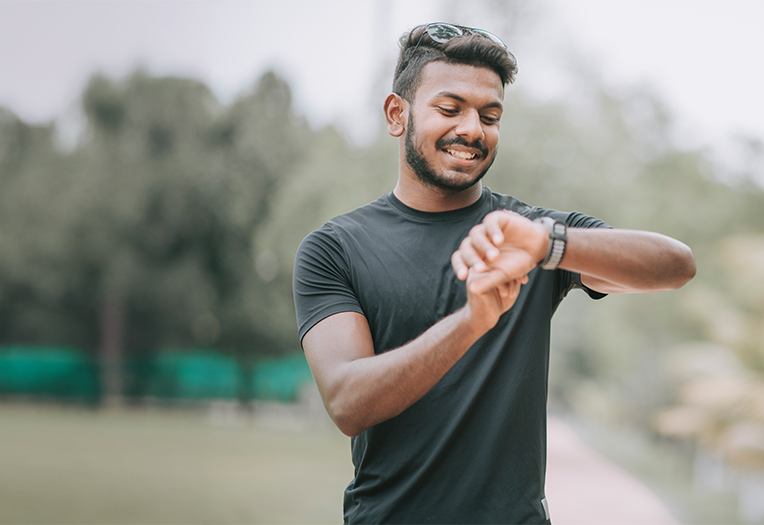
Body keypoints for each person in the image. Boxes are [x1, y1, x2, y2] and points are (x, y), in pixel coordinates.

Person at [292, 23, 696, 524]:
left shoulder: (531, 236)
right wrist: (470, 323)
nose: (472, 129)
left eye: (490, 115)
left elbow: (676, 265)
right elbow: (349, 403)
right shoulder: (335, 249)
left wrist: (549, 245)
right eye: (449, 109)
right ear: (398, 114)